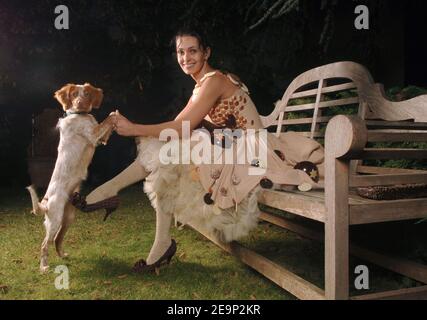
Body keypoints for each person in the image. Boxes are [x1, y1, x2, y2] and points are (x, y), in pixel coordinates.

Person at [72, 27, 325, 273]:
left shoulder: (214, 81)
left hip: (254, 154)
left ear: (207, 53)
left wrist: (133, 128)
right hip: (233, 146)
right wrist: (134, 128)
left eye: (193, 51)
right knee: (168, 149)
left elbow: (181, 128)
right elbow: (176, 128)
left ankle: (118, 198)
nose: (186, 58)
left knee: (173, 152)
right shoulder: (201, 85)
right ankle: (131, 211)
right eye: (181, 52)